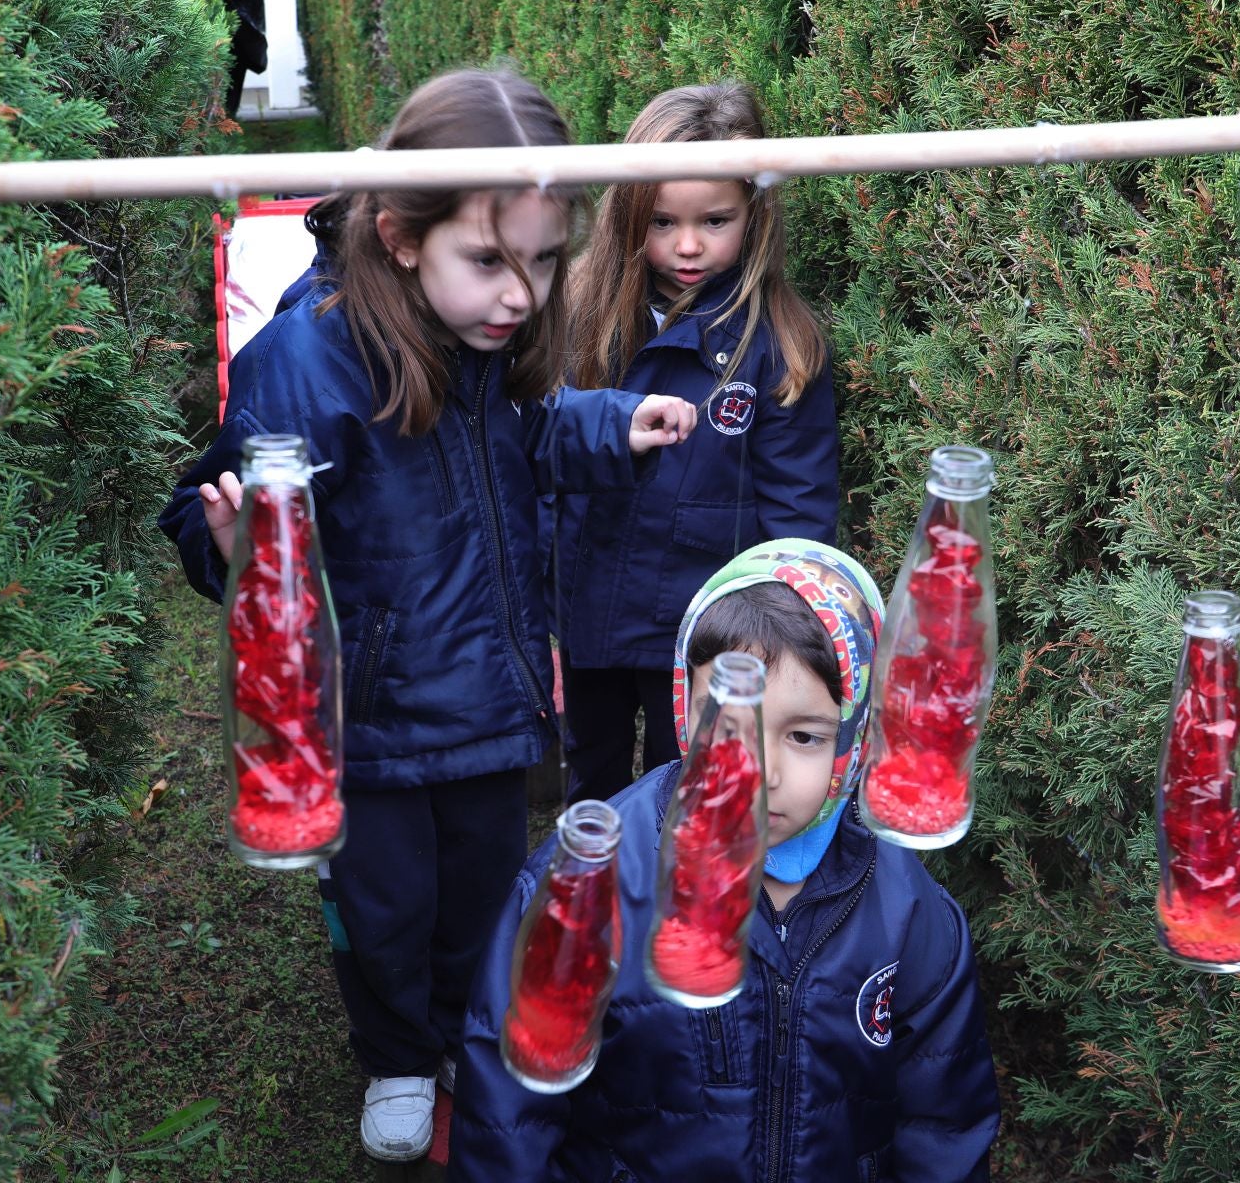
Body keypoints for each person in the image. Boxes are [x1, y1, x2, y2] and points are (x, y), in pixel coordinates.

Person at [158, 69, 697, 1163]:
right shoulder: (303, 368)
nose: (522, 294)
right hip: (371, 720)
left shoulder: (497, 351)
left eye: (545, 262)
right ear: (402, 236)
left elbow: (539, 432)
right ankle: (400, 1048)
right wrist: (229, 544)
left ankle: (467, 1032)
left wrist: (613, 424)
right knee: (388, 907)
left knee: (485, 895)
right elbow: (216, 516)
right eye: (490, 261)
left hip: (492, 700)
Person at [452, 540, 1001, 1181]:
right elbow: (510, 1111)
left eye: (803, 736)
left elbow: (943, 1124)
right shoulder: (593, 882)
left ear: (856, 737)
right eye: (730, 727)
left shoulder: (908, 910)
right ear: (687, 713)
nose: (758, 772)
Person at [555, 81, 839, 804]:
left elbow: (798, 512)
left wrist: (780, 639)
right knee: (592, 782)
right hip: (589, 617)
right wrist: (537, 614)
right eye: (661, 221)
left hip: (708, 634)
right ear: (627, 215)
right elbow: (539, 466)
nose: (687, 245)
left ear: (755, 213)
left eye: (715, 220)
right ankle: (599, 906)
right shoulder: (582, 316)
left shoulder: (781, 342)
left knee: (692, 788)